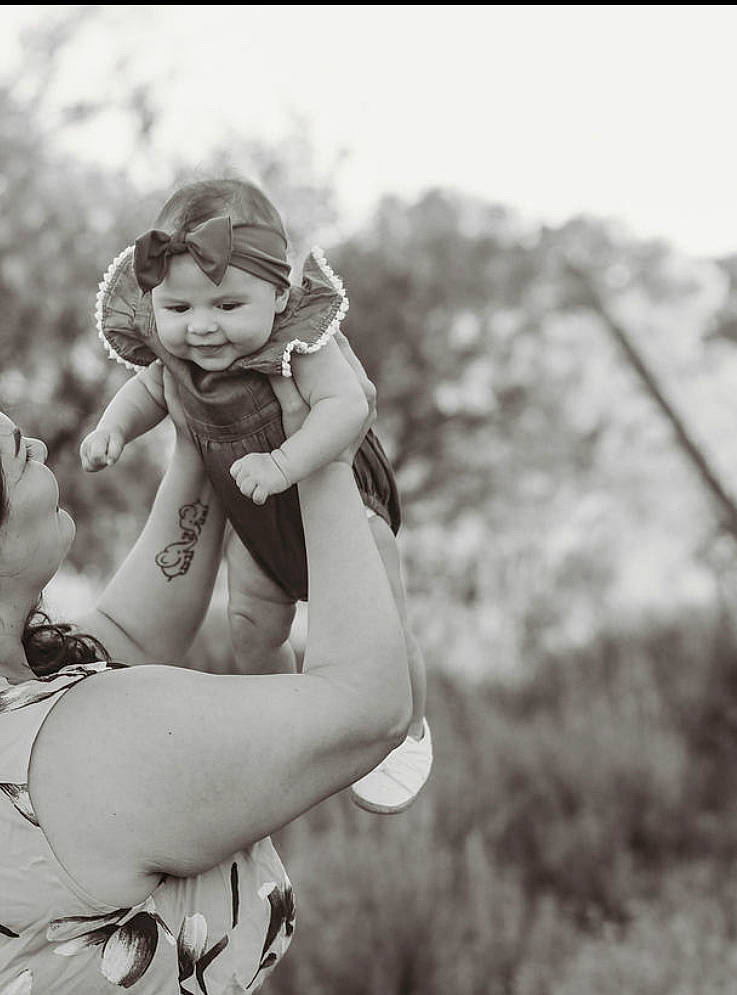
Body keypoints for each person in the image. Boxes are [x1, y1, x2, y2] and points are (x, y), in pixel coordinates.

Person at [0, 347, 420, 994]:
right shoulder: (76, 750)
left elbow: (129, 633)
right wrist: (322, 445)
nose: (40, 446)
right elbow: (370, 707)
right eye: (16, 453)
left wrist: (205, 423)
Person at [82, 177, 431, 813]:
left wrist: (285, 462)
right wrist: (113, 431)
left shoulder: (298, 345)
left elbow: (346, 408)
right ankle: (292, 728)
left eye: (225, 306)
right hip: (258, 520)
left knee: (385, 627)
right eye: (179, 310)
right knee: (250, 627)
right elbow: (147, 393)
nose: (203, 329)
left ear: (278, 294)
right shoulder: (177, 362)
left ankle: (405, 728)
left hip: (346, 513)